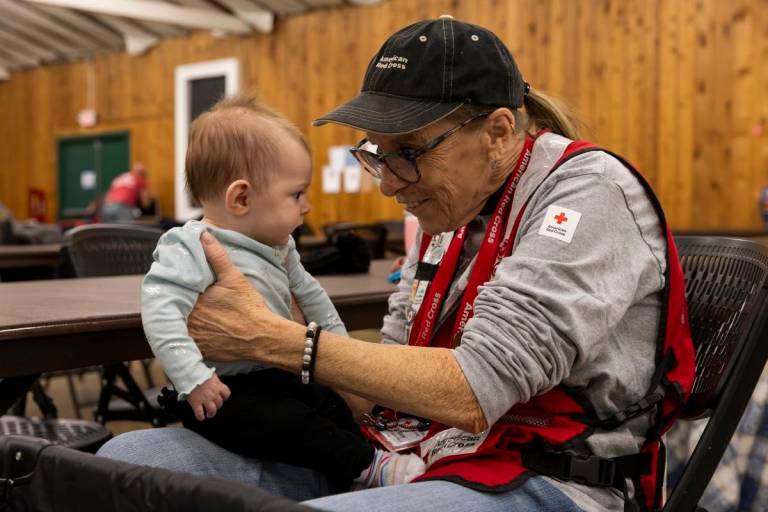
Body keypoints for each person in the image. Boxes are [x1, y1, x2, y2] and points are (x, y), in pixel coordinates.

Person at [98, 16, 695, 512]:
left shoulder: (586, 193)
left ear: (499, 131)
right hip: (415, 449)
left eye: (407, 154)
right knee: (124, 468)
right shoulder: (451, 208)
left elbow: (473, 390)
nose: (388, 185)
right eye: (376, 156)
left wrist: (273, 339)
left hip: (548, 477)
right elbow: (380, 384)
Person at [140, 95, 425, 492]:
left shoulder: (280, 246)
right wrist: (193, 377)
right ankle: (366, 467)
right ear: (241, 198)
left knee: (328, 401)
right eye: (296, 195)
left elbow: (312, 297)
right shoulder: (189, 245)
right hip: (222, 392)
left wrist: (341, 353)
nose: (307, 206)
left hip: (276, 369)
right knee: (287, 422)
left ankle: (358, 464)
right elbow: (160, 310)